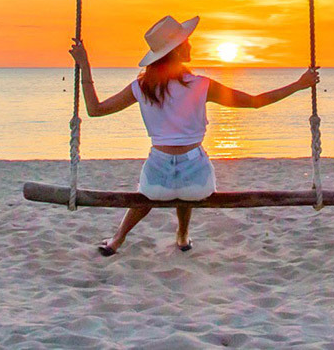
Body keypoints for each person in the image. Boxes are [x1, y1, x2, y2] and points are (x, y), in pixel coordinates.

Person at [71, 14, 318, 256]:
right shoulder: (201, 85)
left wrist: (85, 66)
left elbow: (95, 110)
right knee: (187, 176)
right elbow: (255, 102)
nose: (191, 44)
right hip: (197, 184)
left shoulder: (141, 87)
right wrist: (298, 84)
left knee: (154, 186)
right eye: (186, 41)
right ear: (177, 51)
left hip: (156, 185)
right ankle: (182, 234)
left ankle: (117, 239)